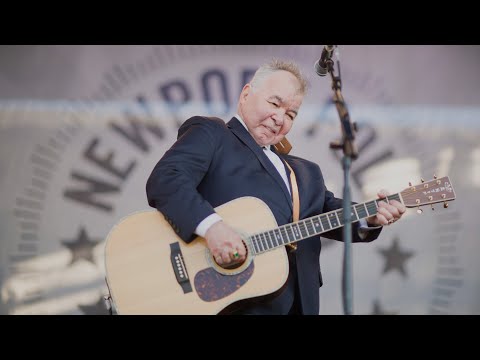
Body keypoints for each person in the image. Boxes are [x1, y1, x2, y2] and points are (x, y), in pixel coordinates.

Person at [146, 59, 406, 315]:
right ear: (246, 94)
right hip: (227, 302)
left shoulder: (306, 173)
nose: (280, 117)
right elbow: (167, 179)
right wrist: (212, 228)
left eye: (291, 114)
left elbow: (332, 214)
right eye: (274, 103)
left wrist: (370, 216)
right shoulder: (214, 134)